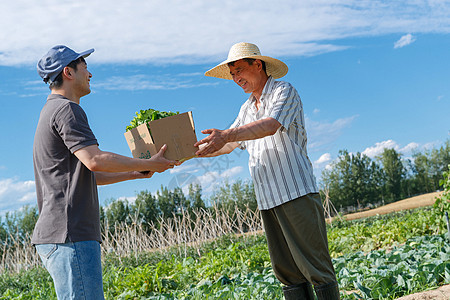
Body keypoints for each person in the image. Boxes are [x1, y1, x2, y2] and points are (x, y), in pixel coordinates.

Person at [195, 42, 340, 299]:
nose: (236, 78)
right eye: (232, 75)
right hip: (268, 200)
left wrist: (226, 134)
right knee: (288, 274)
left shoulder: (284, 91)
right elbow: (228, 145)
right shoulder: (246, 108)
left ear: (257, 64)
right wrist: (183, 154)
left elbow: (270, 125)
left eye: (239, 70)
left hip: (295, 192)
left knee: (316, 268)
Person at [32, 45, 178, 300]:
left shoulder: (49, 112)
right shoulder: (67, 110)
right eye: (85, 67)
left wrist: (136, 172)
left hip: (58, 235)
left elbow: (87, 174)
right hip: (71, 233)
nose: (90, 74)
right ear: (68, 72)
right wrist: (153, 163)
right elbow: (95, 160)